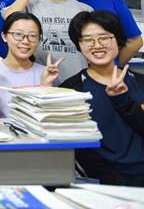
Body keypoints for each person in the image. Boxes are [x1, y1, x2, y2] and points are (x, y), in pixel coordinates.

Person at [61, 11, 144, 186]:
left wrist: (122, 100)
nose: (97, 45)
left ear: (118, 40)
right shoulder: (71, 90)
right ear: (79, 45)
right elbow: (79, 149)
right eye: (88, 40)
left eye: (104, 38)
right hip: (105, 184)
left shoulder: (140, 82)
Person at [5, 0, 93, 80]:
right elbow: (8, 17)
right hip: (38, 82)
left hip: (77, 83)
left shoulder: (85, 10)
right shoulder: (31, 5)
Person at [0, 12, 61, 117]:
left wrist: (46, 86)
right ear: (4, 36)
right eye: (18, 35)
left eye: (32, 36)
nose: (26, 41)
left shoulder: (47, 74)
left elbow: (52, 118)